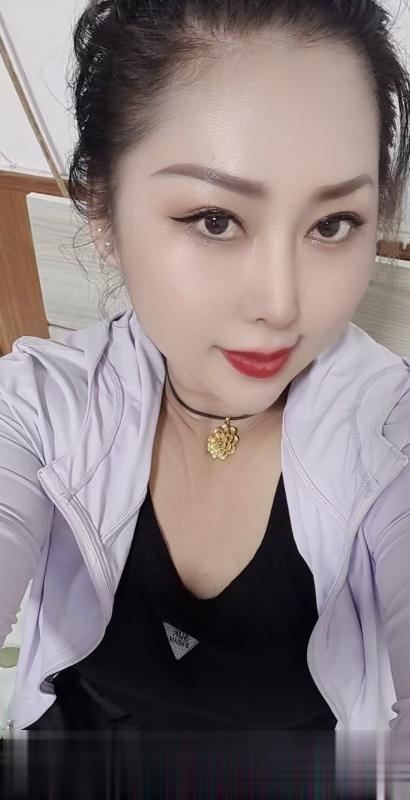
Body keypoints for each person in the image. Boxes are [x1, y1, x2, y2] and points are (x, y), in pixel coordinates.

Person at [0, 0, 409, 734]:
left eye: (333, 224)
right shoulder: (38, 407)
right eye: (215, 220)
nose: (281, 305)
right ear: (102, 212)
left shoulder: (389, 439)